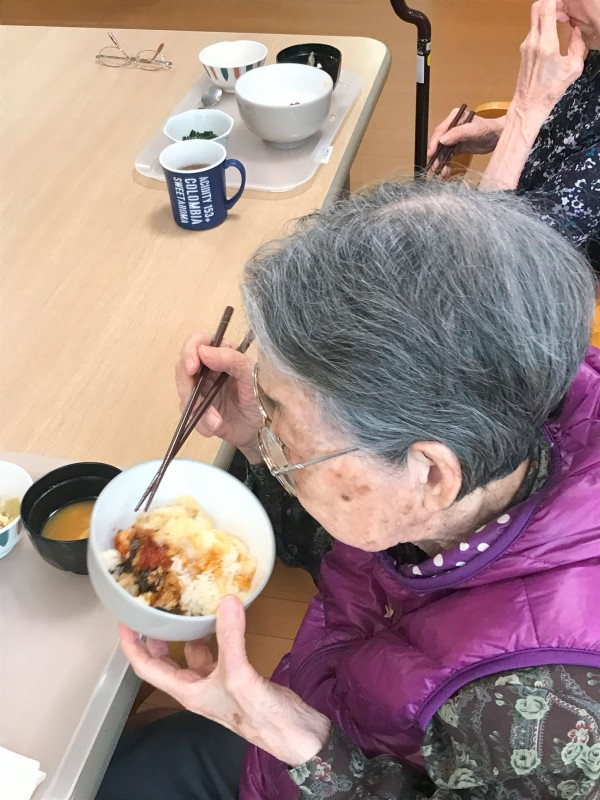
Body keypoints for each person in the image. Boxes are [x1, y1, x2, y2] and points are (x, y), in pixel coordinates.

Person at [97, 182, 600, 800]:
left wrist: (305, 746)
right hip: (327, 702)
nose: (273, 435)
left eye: (286, 427)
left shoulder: (550, 724)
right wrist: (258, 433)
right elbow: (356, 539)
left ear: (430, 475)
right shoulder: (507, 394)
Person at [428, 0, 599, 269]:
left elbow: (488, 267)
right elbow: (576, 122)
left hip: (517, 269)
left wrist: (525, 110)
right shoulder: (595, 45)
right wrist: (498, 129)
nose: (558, 4)